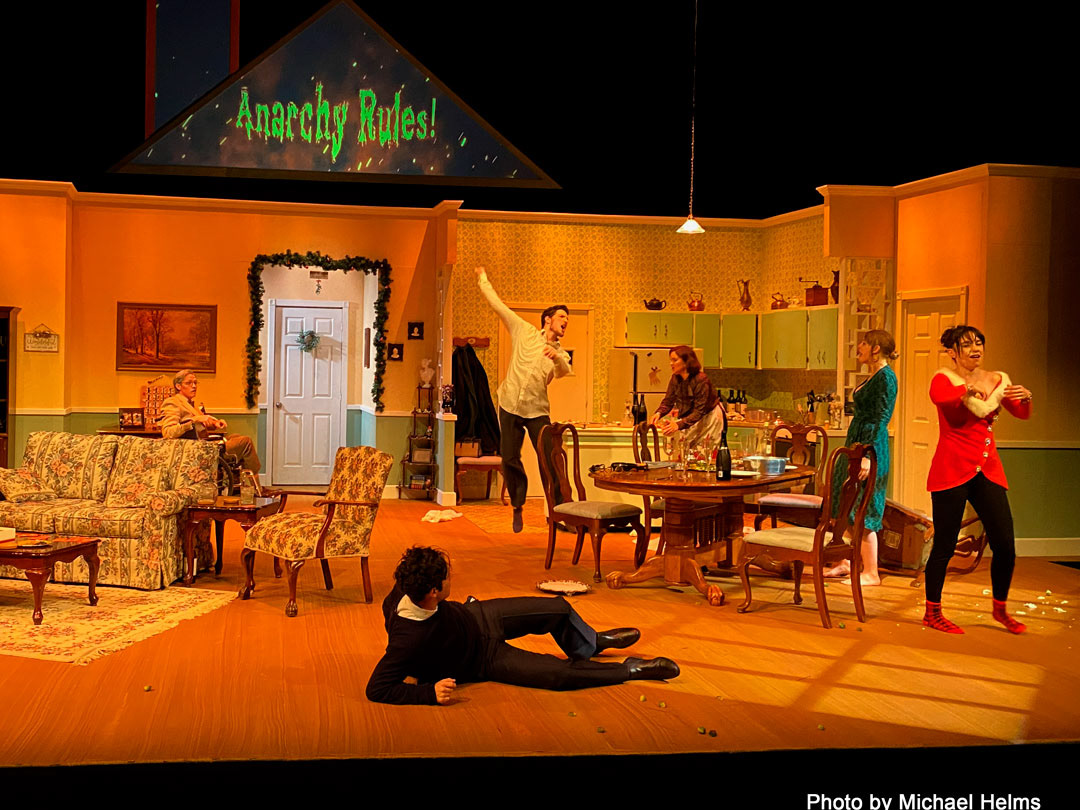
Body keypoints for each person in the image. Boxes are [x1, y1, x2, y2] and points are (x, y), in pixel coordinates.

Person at [366, 546, 680, 705]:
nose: (451, 578)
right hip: (480, 659)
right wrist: (427, 692)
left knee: (557, 607)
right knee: (556, 674)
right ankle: (630, 669)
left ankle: (592, 643)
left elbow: (403, 608)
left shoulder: (405, 585)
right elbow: (377, 688)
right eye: (446, 579)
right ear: (434, 592)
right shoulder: (408, 641)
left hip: (477, 616)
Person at [922, 326, 1031, 634]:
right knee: (945, 544)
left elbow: (1021, 413)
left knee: (1005, 544)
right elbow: (943, 400)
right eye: (967, 344)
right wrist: (965, 393)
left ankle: (1000, 608)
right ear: (952, 352)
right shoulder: (944, 379)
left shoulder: (996, 379)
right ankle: (932, 612)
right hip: (951, 469)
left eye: (979, 342)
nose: (975, 348)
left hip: (987, 469)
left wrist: (1025, 398)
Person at [475, 266, 571, 533]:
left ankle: (561, 513)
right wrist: (483, 279)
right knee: (509, 457)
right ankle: (518, 505)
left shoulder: (561, 353)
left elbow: (564, 371)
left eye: (568, 318)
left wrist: (557, 357)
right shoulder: (524, 331)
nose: (566, 321)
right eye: (562, 316)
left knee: (550, 458)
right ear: (548, 319)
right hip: (509, 404)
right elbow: (498, 306)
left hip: (537, 410)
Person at [823, 330, 898, 586]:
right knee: (844, 501)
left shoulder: (886, 377)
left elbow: (881, 419)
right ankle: (843, 562)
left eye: (864, 343)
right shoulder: (873, 376)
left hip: (870, 448)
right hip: (856, 444)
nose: (859, 347)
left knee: (864, 507)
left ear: (876, 348)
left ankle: (871, 572)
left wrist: (868, 455)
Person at [159, 369, 261, 473]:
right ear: (178, 386)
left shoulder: (190, 404)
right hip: (194, 450)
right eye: (189, 383)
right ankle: (254, 478)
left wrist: (214, 423)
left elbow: (201, 424)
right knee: (245, 442)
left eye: (195, 383)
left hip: (203, 442)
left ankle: (245, 479)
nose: (194, 386)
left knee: (236, 437)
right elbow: (168, 432)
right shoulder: (173, 402)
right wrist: (193, 420)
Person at [649, 345, 726, 446]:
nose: (671, 363)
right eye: (670, 360)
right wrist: (658, 413)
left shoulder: (701, 380)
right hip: (691, 417)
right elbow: (668, 401)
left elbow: (699, 410)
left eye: (674, 360)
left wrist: (678, 425)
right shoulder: (675, 378)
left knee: (706, 449)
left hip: (709, 418)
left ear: (686, 361)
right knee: (687, 448)